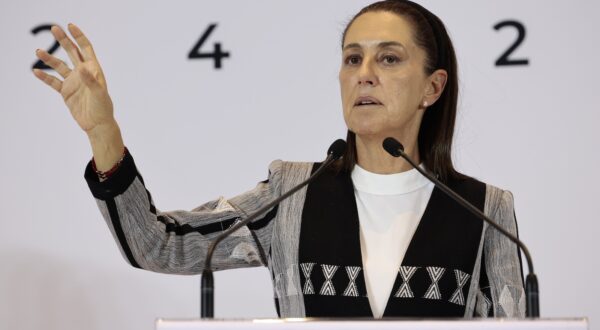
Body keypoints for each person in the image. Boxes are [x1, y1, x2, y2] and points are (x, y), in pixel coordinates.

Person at [33, 0, 525, 319]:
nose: (364, 74)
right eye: (353, 58)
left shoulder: (485, 212)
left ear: (432, 87)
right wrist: (103, 132)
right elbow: (159, 245)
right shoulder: (291, 194)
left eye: (389, 58)